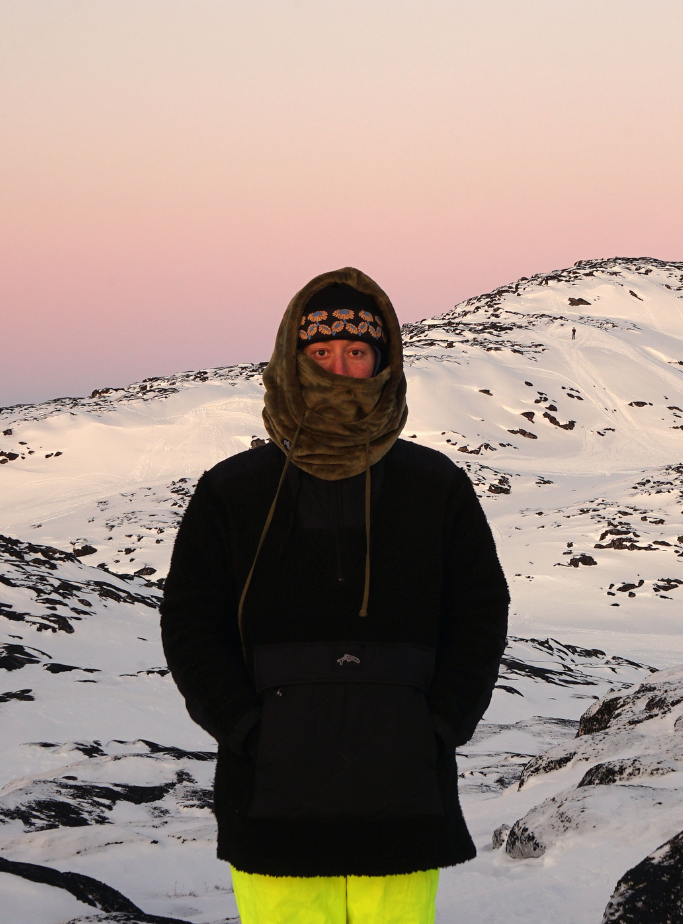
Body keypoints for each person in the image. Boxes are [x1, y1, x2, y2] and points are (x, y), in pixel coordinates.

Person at [160, 267, 510, 924]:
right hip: (272, 791)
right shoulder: (233, 491)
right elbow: (190, 621)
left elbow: (480, 612)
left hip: (403, 788)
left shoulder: (435, 487)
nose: (339, 369)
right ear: (292, 361)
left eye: (357, 352)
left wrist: (442, 724)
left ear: (383, 362)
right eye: (321, 353)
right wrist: (241, 725)